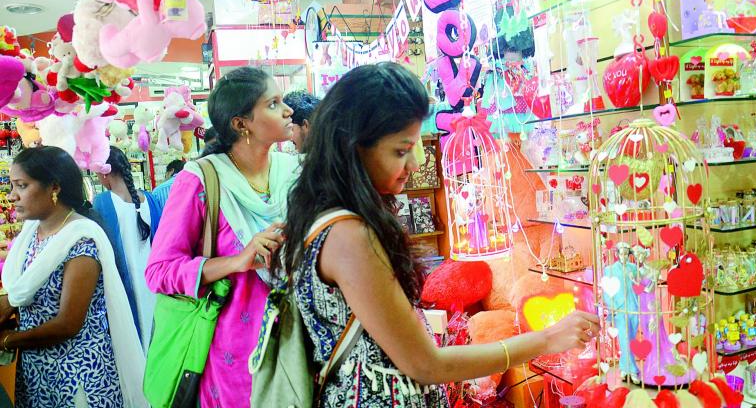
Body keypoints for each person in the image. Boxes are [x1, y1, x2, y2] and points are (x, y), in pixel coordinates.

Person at [280, 62, 600, 406]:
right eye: (401, 151)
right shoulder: (349, 235)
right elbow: (425, 363)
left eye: (414, 147)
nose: (415, 165)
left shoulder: (326, 216)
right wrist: (546, 339)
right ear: (353, 147)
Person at [146, 66, 299, 407]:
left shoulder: (296, 172)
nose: (288, 110)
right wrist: (236, 261)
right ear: (240, 123)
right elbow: (159, 271)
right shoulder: (201, 180)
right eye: (273, 103)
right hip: (233, 357)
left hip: (297, 340)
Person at [0, 146, 146, 407]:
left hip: (79, 372)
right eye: (12, 186)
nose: (12, 196)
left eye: (21, 186)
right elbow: (24, 294)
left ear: (53, 188)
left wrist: (10, 340)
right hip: (38, 372)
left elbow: (68, 323)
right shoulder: (31, 234)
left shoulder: (81, 240)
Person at [93, 146, 161, 350]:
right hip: (155, 281)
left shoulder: (103, 202)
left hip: (124, 283)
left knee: (134, 342)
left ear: (105, 173)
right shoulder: (149, 198)